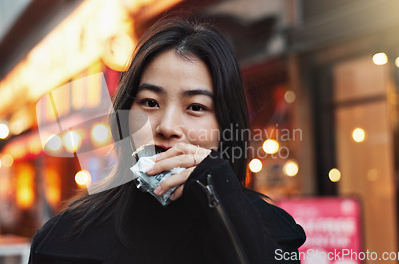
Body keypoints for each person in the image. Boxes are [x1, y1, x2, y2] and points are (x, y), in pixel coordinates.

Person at [29, 17, 306, 264]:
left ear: (226, 125)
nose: (168, 127)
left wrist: (220, 194)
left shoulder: (272, 232)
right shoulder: (64, 239)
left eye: (196, 107)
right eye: (150, 102)